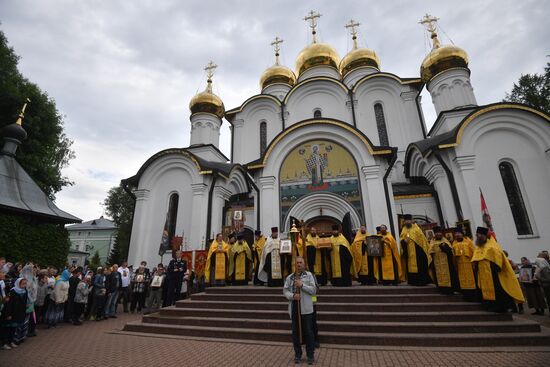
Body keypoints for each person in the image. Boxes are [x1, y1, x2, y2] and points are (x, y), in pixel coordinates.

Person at [471, 227, 524, 312]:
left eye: (479, 235)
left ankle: (498, 307)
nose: (477, 237)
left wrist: (494, 267)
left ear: (484, 235)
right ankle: (488, 305)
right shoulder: (478, 247)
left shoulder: (492, 246)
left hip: (492, 273)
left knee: (497, 289)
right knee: (484, 290)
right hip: (482, 273)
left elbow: (498, 258)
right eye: (477, 235)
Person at [283, 257, 317, 365]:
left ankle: (310, 355)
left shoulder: (309, 275)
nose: (298, 264)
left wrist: (302, 285)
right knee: (295, 332)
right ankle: (297, 354)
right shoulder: (290, 277)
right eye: (297, 263)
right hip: (294, 307)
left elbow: (313, 290)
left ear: (304, 264)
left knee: (308, 332)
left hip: (306, 308)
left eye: (300, 263)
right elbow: (285, 290)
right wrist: (293, 296)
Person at [399, 214, 431, 286]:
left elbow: (422, 240)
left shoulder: (417, 229)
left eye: (408, 220)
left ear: (411, 221)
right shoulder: (404, 230)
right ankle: (412, 281)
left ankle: (421, 281)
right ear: (404, 222)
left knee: (420, 265)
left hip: (418, 251)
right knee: (410, 266)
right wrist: (404, 242)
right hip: (409, 251)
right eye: (406, 221)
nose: (407, 222)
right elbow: (401, 240)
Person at [428, 227, 459, 294]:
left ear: (441, 233)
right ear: (434, 234)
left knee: (450, 276)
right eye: (436, 233)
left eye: (439, 232)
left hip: (447, 264)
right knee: (439, 276)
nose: (438, 234)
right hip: (437, 264)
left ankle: (451, 290)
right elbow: (430, 253)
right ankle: (441, 289)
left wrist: (444, 247)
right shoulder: (432, 242)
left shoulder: (445, 241)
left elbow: (450, 252)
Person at [451, 228, 478, 301]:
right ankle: (466, 296)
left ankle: (474, 296)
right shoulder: (454, 244)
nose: (457, 235)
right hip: (460, 266)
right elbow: (453, 256)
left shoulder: (468, 242)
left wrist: (474, 264)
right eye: (456, 234)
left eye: (459, 233)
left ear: (462, 234)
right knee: (463, 281)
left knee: (471, 281)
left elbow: (474, 252)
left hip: (469, 265)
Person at [1, 278, 28, 350]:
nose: (24, 285)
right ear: (18, 283)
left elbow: (25, 302)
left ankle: (11, 341)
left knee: (14, 328)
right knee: (7, 329)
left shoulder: (25, 291)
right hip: (11, 313)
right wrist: (8, 314)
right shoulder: (12, 291)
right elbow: (9, 304)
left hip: (19, 313)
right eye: (23, 284)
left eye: (25, 284)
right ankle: (4, 343)